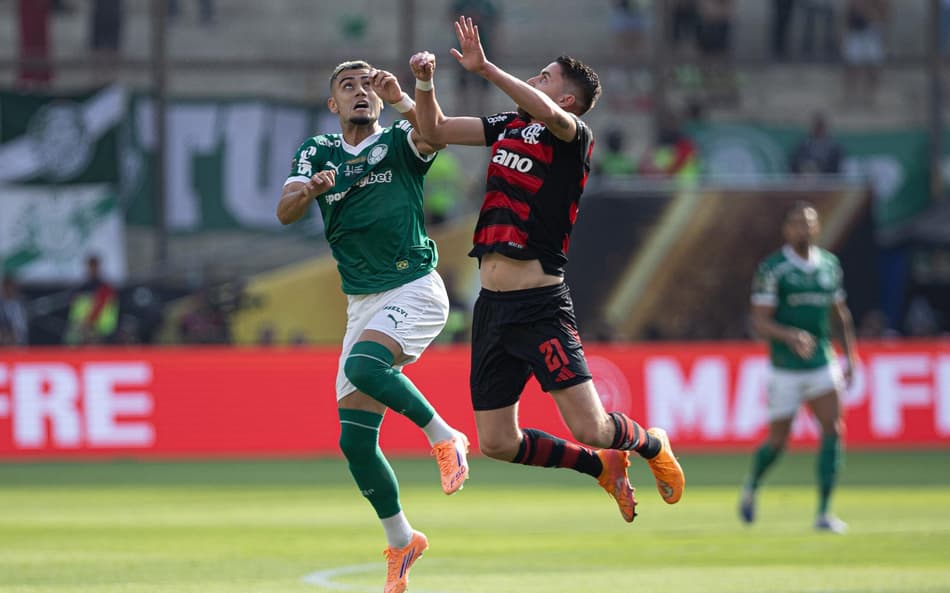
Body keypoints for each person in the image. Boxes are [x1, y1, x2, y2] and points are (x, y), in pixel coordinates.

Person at [410, 17, 685, 526]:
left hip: (539, 305)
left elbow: (550, 115)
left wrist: (487, 67)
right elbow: (435, 131)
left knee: (594, 426)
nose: (535, 80)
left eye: (545, 76)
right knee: (495, 442)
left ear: (570, 101)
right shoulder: (510, 124)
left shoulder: (572, 135)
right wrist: (425, 85)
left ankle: (649, 443)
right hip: (492, 307)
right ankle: (599, 468)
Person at [276, 60, 469, 593]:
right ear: (333, 105)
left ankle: (445, 435)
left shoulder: (399, 142)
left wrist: (413, 94)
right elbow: (285, 211)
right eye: (347, 87)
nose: (360, 93)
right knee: (356, 444)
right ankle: (403, 539)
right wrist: (311, 190)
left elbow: (437, 135)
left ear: (378, 102)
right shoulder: (318, 151)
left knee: (364, 366)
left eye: (367, 87)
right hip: (362, 302)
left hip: (414, 285)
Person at [741, 201, 858, 534]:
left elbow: (840, 314)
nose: (802, 229)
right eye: (795, 223)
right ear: (786, 230)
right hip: (785, 368)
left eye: (807, 223)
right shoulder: (773, 268)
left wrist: (851, 355)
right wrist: (790, 335)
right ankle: (752, 486)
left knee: (833, 429)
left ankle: (824, 512)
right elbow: (759, 321)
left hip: (823, 362)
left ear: (817, 228)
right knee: (778, 442)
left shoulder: (829, 266)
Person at [64, 254, 118, 345]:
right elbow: (75, 310)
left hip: (101, 330)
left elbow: (100, 307)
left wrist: (87, 323)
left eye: (94, 266)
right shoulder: (81, 288)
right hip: (81, 329)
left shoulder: (105, 288)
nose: (91, 269)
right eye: (90, 266)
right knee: (70, 340)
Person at [0, 275, 29, 347]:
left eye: (11, 288)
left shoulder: (19, 306)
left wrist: (12, 337)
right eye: (6, 288)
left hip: (16, 343)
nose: (9, 290)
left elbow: (21, 328)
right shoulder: (1, 304)